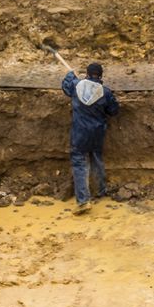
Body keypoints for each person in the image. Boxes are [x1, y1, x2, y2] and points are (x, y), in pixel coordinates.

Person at [61, 61, 120, 214]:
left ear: (86, 74)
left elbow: (65, 87)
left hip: (80, 133)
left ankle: (83, 201)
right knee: (96, 158)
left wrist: (70, 74)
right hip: (97, 132)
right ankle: (99, 191)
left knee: (79, 162)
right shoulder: (105, 92)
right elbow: (113, 111)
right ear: (100, 76)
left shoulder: (76, 85)